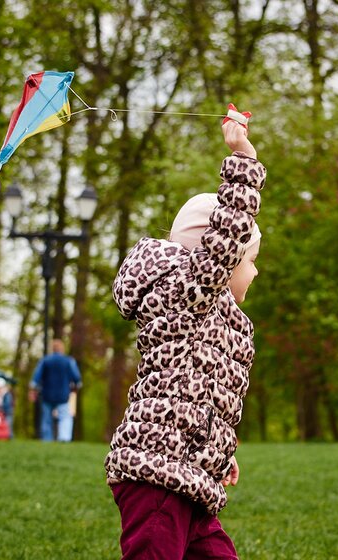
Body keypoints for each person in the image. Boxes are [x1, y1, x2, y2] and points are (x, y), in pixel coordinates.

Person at [105, 116, 264, 559]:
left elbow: (202, 396)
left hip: (190, 479)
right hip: (157, 480)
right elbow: (225, 238)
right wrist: (243, 160)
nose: (254, 270)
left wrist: (217, 454)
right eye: (249, 259)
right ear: (222, 258)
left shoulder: (209, 312)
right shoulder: (186, 291)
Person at [31, 339, 81, 442]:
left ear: (52, 349)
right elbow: (76, 378)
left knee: (46, 419)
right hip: (63, 395)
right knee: (65, 417)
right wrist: (76, 387)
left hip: (46, 394)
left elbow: (36, 378)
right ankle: (64, 438)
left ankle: (47, 439)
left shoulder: (45, 360)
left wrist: (33, 389)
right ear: (62, 349)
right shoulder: (68, 361)